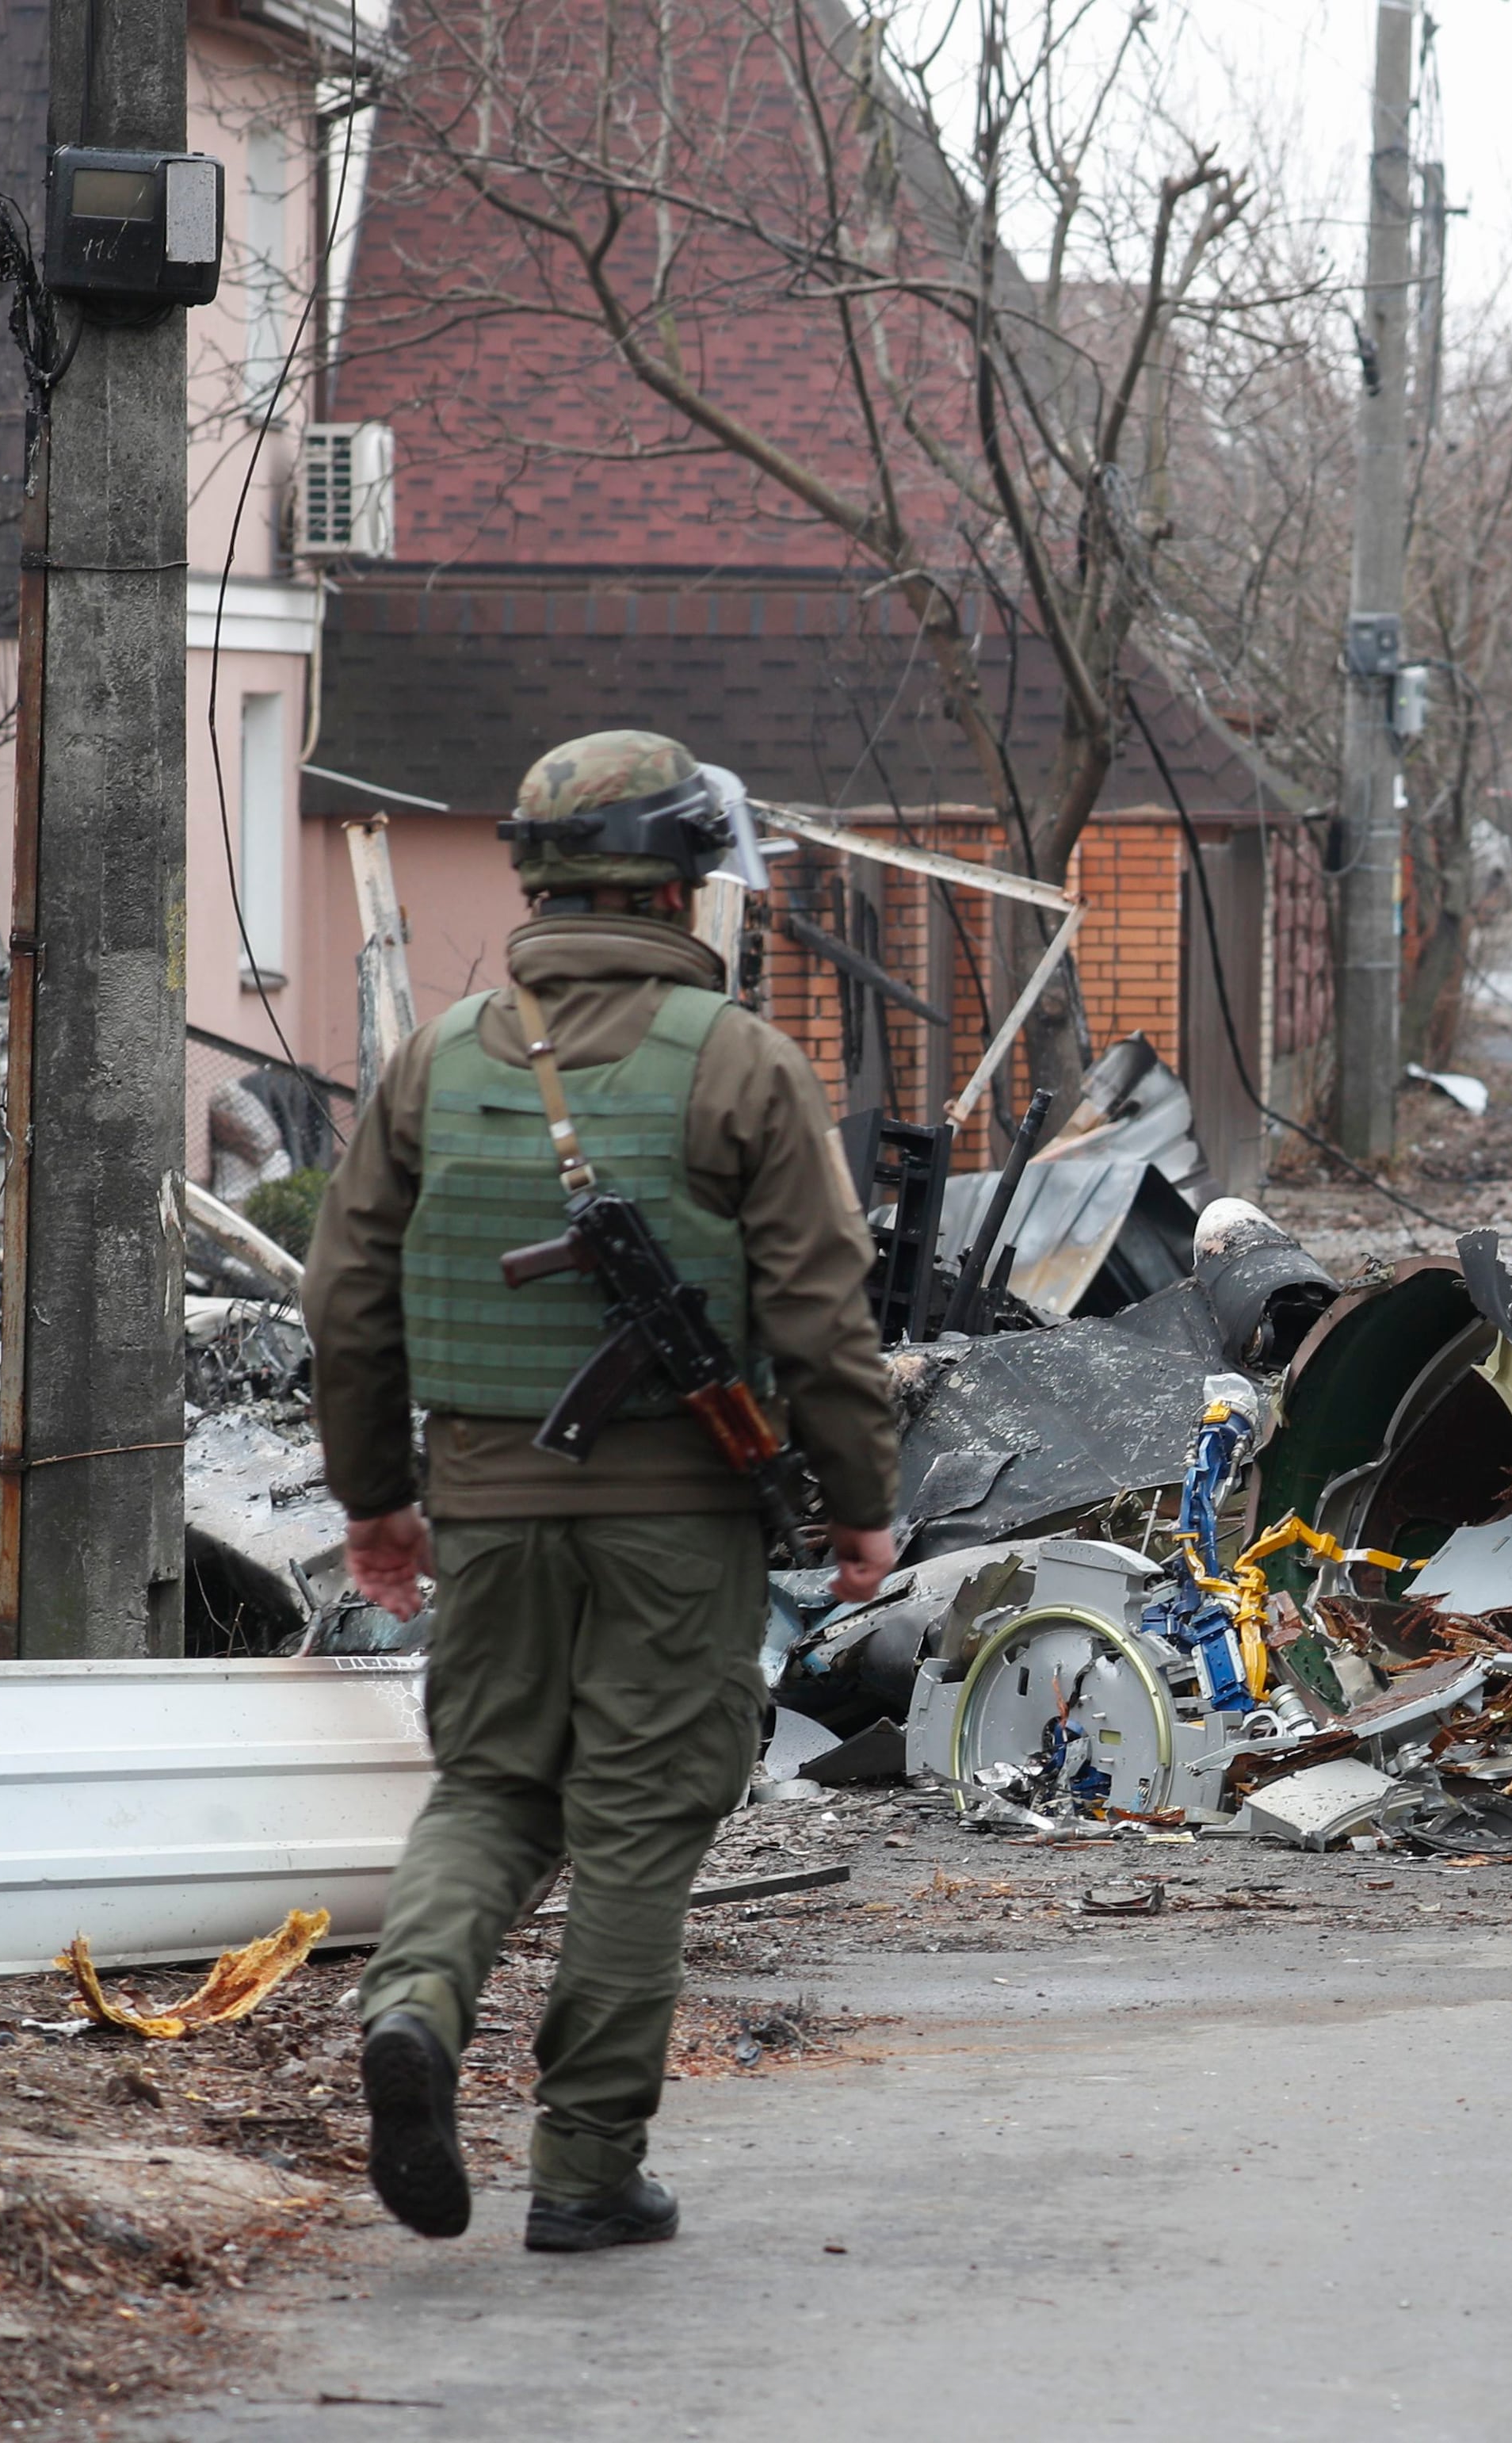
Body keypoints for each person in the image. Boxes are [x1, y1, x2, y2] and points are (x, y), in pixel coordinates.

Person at [305, 730, 900, 2252]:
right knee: (638, 1819)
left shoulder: (434, 1059)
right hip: (682, 1518)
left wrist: (376, 1498)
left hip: (487, 1508)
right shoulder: (743, 1062)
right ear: (682, 885)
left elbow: (348, 1300)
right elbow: (825, 1317)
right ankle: (582, 2170)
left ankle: (418, 2011)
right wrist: (859, 1502)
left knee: (494, 1787)